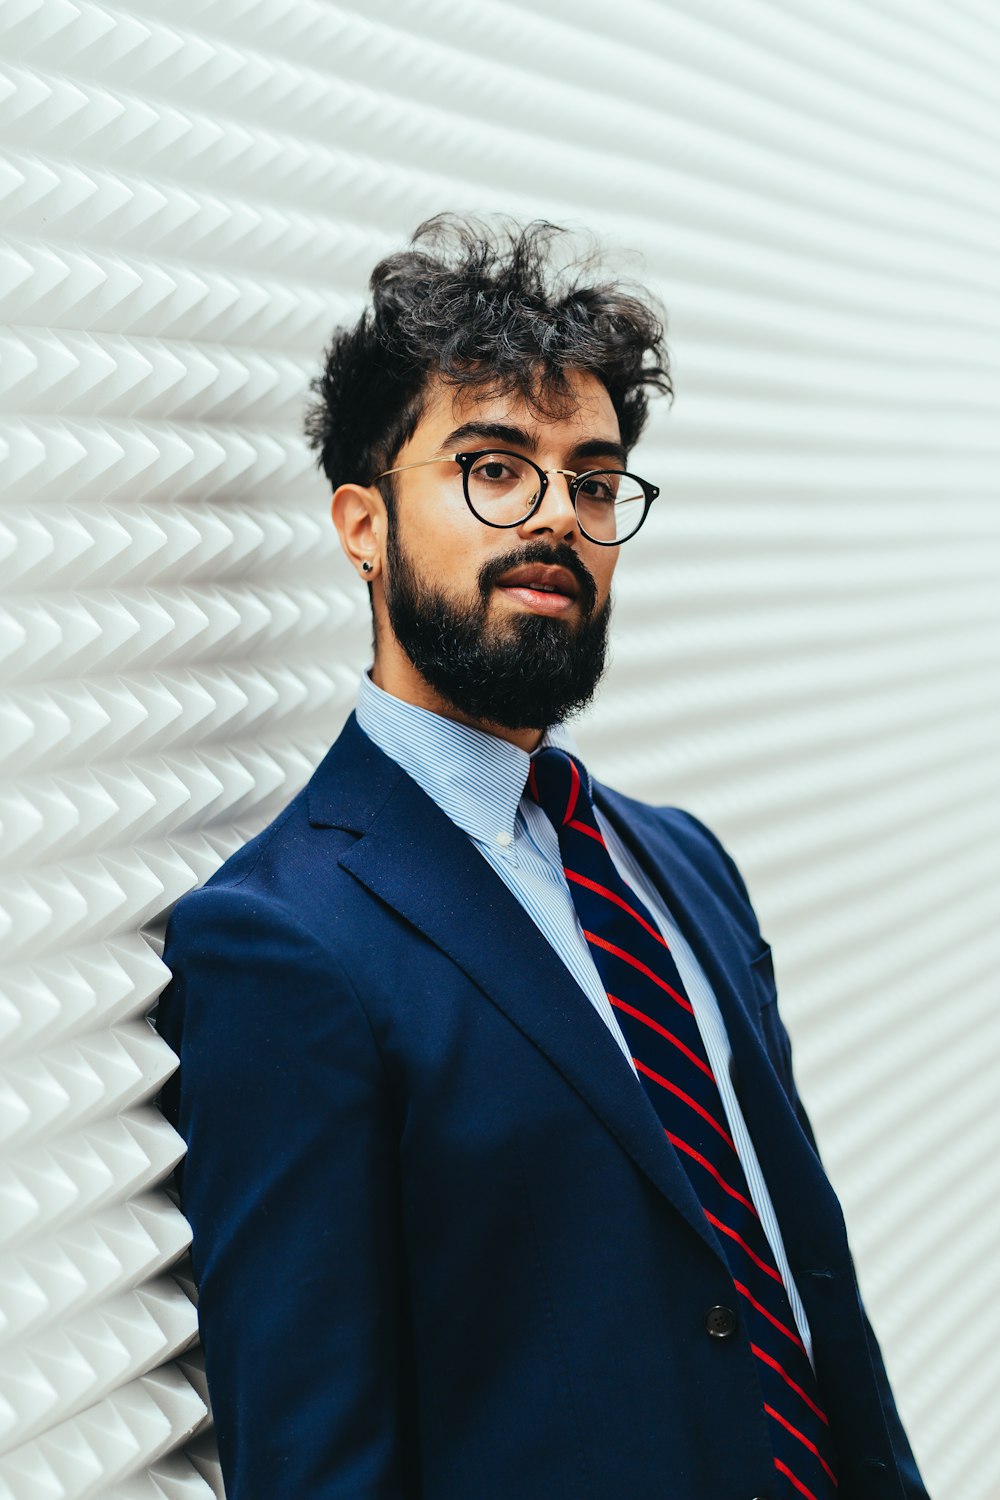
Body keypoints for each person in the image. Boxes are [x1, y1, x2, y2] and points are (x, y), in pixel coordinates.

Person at [156, 214, 929, 1500]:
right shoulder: (282, 944)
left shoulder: (679, 867)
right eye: (492, 469)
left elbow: (801, 1290)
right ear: (361, 524)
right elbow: (317, 1466)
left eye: (589, 478)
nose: (555, 518)